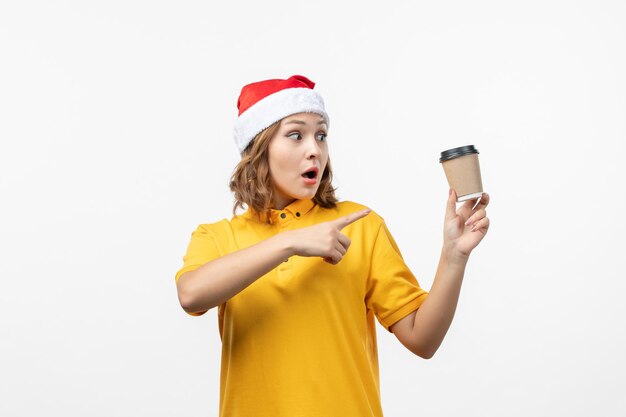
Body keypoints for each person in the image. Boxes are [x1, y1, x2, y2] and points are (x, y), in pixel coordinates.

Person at [174, 75, 490, 417]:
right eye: (296, 135)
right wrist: (291, 242)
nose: (314, 149)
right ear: (259, 148)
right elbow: (191, 295)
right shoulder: (216, 237)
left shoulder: (360, 225)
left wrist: (453, 256)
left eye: (321, 135)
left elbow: (422, 339)